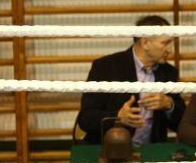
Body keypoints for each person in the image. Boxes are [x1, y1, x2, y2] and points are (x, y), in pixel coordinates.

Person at [76, 15, 185, 145]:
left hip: (151, 150)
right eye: (165, 43)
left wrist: (169, 105)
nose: (170, 50)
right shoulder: (106, 67)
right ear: (145, 43)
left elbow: (183, 124)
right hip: (109, 148)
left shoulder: (169, 72)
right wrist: (117, 117)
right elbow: (85, 119)